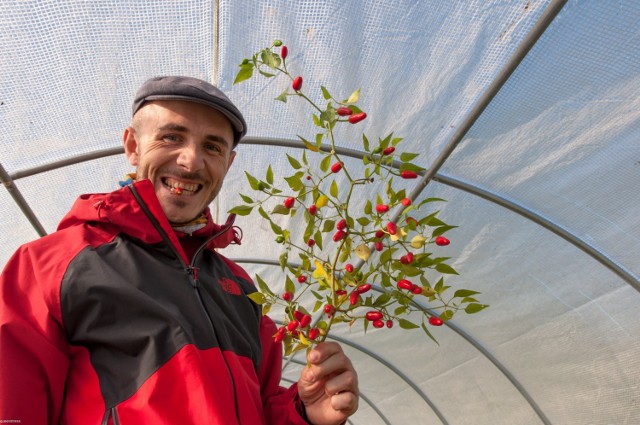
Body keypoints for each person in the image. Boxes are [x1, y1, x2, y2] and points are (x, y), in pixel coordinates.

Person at [0, 76, 359, 424]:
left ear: (228, 164)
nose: (191, 162)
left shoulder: (241, 287)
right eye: (172, 137)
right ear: (132, 146)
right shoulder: (52, 265)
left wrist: (304, 415)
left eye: (213, 147)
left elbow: (261, 406)